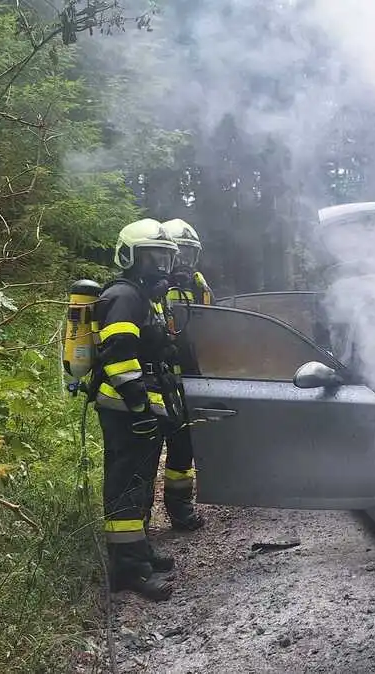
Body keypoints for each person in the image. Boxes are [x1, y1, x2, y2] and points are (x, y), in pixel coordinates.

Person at [92, 218, 183, 601]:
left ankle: (139, 550)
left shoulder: (145, 298)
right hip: (124, 407)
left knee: (141, 481)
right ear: (129, 257)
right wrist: (138, 404)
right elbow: (118, 355)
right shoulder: (125, 296)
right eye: (151, 258)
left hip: (139, 405)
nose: (160, 267)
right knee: (127, 484)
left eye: (164, 258)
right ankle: (128, 570)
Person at [155, 218, 211, 530]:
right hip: (158, 379)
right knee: (149, 452)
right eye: (182, 254)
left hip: (189, 380)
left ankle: (180, 509)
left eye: (192, 255)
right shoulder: (152, 288)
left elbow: (212, 329)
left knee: (183, 449)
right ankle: (138, 518)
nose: (186, 263)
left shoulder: (200, 287)